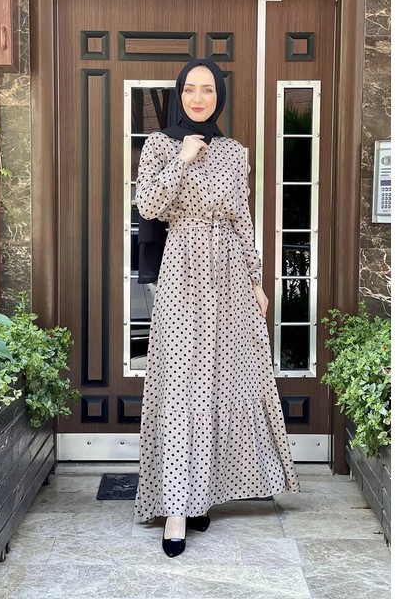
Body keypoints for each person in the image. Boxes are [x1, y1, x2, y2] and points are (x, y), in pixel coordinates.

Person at [133, 58, 300, 558]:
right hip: (183, 270)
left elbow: (241, 217)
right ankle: (176, 509)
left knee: (224, 382)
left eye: (208, 89)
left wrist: (256, 280)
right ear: (179, 94)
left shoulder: (234, 152)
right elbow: (148, 206)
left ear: (219, 96)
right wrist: (182, 158)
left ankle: (202, 495)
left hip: (229, 275)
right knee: (182, 386)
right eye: (190, 89)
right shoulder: (160, 145)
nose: (198, 98)